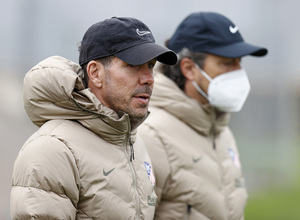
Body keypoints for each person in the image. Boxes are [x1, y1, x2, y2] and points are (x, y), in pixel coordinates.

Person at [10, 17, 177, 219]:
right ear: (95, 73)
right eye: (133, 65)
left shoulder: (136, 144)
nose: (149, 78)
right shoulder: (53, 149)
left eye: (150, 65)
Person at [138, 12, 268, 220]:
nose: (238, 72)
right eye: (227, 63)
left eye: (239, 62)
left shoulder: (221, 131)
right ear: (189, 68)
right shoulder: (151, 135)